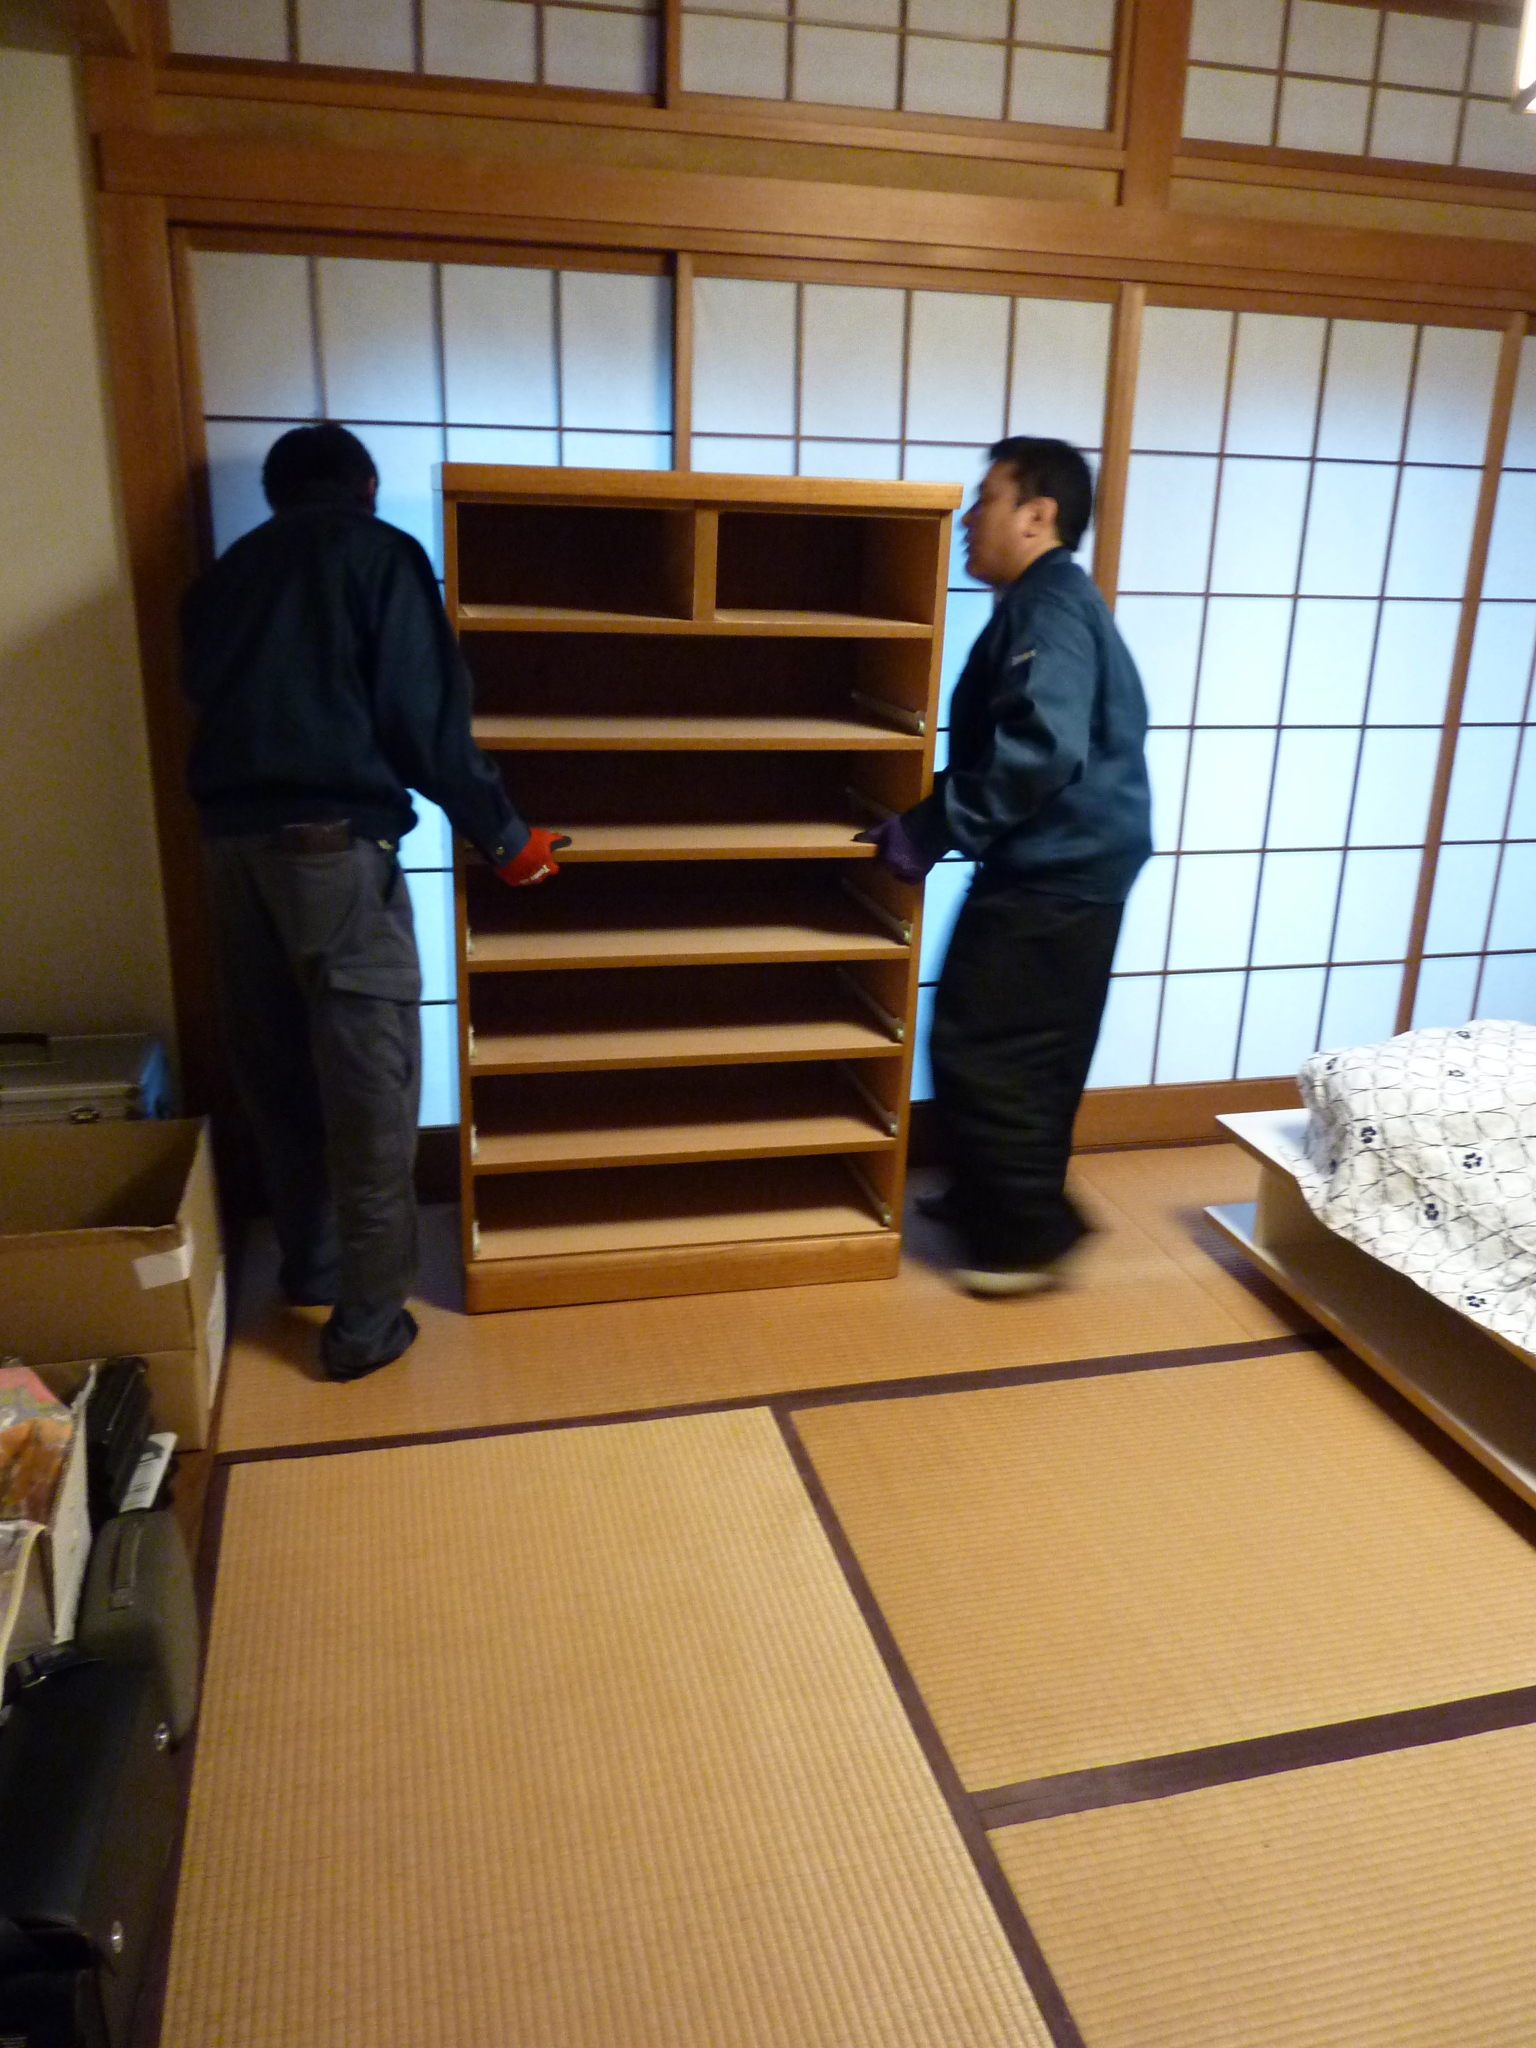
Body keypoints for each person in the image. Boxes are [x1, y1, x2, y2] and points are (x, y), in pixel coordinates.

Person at [180, 423, 568, 1379]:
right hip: (332, 855)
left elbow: (199, 690)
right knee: (370, 1080)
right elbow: (423, 717)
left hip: (229, 855)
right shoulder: (378, 554)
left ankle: (312, 1265)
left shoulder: (225, 577)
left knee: (278, 1070)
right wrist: (505, 837)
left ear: (276, 494)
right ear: (366, 486)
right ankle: (366, 1326)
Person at [859, 437, 1151, 1297]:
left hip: (1056, 870)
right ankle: (996, 1199)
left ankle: (1024, 1238)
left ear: (1037, 514)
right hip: (1075, 863)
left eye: (985, 499)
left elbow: (1040, 748)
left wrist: (934, 827)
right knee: (1032, 1044)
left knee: (988, 1043)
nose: (967, 520)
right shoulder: (1051, 599)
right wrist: (934, 822)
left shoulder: (1049, 605)